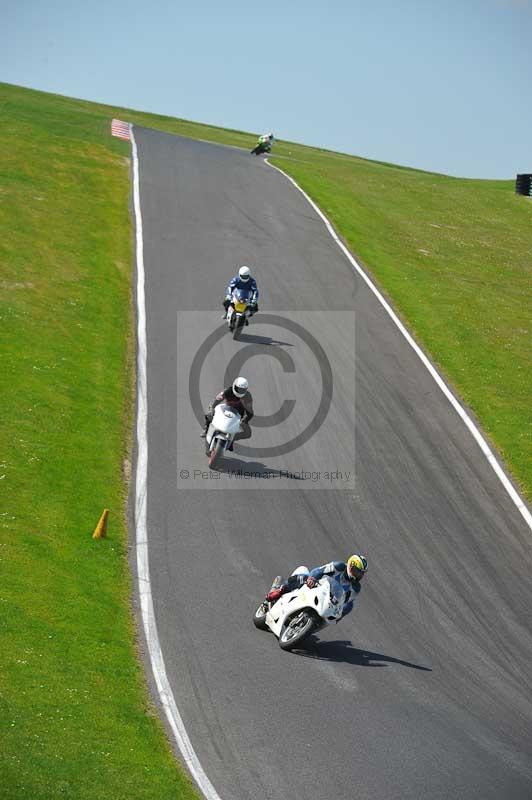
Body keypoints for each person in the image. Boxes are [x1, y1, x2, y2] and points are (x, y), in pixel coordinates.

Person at [265, 555, 368, 619]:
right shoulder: (339, 566)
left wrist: (340, 614)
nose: (358, 575)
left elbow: (347, 603)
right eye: (357, 571)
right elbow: (318, 571)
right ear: (350, 566)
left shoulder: (355, 588)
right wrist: (312, 578)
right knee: (304, 574)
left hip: (329, 603)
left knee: (346, 608)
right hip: (316, 586)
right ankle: (280, 590)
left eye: (361, 574)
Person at [201, 376, 254, 449]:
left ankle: (231, 440)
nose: (240, 391)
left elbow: (250, 412)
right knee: (209, 415)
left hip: (238, 415)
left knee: (248, 433)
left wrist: (244, 420)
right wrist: (211, 409)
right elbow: (216, 400)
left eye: (242, 390)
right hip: (225, 410)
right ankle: (206, 429)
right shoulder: (228, 391)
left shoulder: (248, 396)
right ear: (234, 386)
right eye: (238, 389)